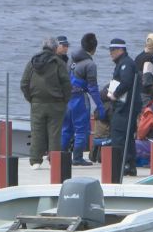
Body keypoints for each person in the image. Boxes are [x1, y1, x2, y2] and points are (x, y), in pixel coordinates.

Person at [21, 37, 71, 169]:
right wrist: (65, 100)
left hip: (37, 103)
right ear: (55, 48)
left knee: (37, 131)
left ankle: (35, 161)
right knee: (55, 133)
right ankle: (54, 161)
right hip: (56, 104)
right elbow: (66, 83)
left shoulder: (32, 62)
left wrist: (31, 98)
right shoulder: (58, 63)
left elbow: (24, 83)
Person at [61, 33, 105, 166]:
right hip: (79, 98)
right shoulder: (90, 64)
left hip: (66, 98)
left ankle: (60, 156)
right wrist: (100, 105)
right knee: (81, 129)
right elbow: (92, 88)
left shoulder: (71, 59)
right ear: (94, 49)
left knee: (65, 129)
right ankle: (77, 157)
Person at [108, 38, 142, 176]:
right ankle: (128, 164)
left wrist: (115, 94)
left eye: (113, 51)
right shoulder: (122, 63)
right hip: (123, 106)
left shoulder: (126, 64)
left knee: (120, 136)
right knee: (125, 136)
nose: (111, 54)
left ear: (120, 50)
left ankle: (124, 164)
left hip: (125, 106)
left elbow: (126, 82)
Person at [135, 33, 153, 108]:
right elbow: (147, 81)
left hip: (137, 92)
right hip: (145, 96)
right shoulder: (149, 59)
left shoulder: (139, 56)